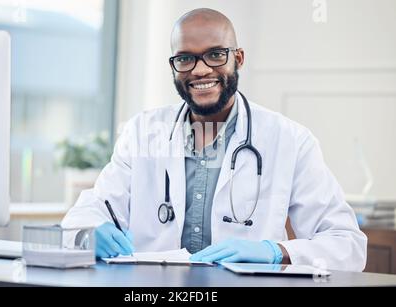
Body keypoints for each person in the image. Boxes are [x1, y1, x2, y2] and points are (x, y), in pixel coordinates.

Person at [62, 8, 367, 271]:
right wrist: (91, 230)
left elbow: (348, 246)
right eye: (185, 58)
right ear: (173, 66)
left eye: (215, 54)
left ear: (239, 58)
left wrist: (276, 251)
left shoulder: (290, 140)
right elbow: (85, 215)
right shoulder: (143, 132)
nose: (201, 70)